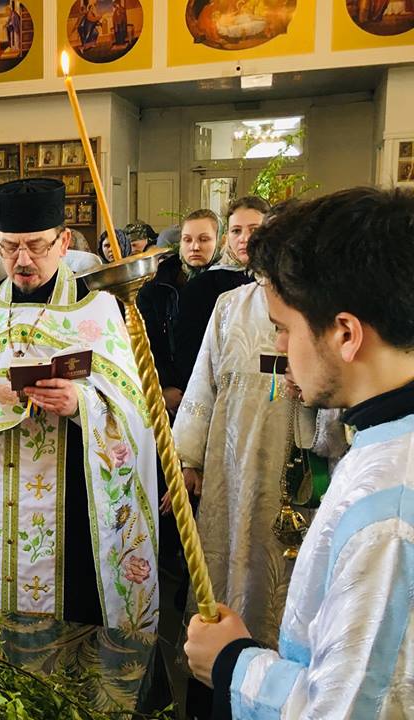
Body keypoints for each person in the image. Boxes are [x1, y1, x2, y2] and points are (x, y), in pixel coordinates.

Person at [185, 187, 414, 719]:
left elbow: (349, 708)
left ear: (346, 335)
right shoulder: (385, 438)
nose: (281, 348)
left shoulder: (390, 508)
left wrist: (231, 664)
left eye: (285, 330)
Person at [0, 178, 158, 628]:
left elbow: (135, 410)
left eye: (35, 246)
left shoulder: (98, 309)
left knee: (73, 633)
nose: (22, 261)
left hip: (72, 513)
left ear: (63, 241)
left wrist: (81, 402)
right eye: (9, 248)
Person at [171, 204, 347, 662]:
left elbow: (344, 403)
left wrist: (313, 396)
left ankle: (276, 670)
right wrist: (188, 459)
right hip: (231, 463)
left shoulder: (322, 309)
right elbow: (202, 382)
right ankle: (219, 663)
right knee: (226, 563)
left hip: (295, 465)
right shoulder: (229, 306)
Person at [172, 196, 270, 390]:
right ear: (227, 238)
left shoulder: (286, 284)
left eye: (254, 230)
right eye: (236, 231)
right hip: (225, 390)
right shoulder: (203, 286)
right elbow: (195, 356)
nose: (244, 238)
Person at [136, 209, 220, 415]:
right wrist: (163, 387)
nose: (195, 247)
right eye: (187, 239)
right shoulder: (156, 286)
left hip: (219, 391)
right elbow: (148, 341)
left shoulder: (230, 284)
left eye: (204, 239)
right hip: (174, 392)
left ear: (220, 241)